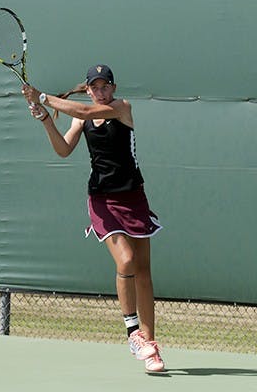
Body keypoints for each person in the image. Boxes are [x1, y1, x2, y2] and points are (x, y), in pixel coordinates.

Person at [21, 64, 165, 373]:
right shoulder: (80, 117)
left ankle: (150, 345)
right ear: (88, 90)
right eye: (95, 87)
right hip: (102, 200)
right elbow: (63, 150)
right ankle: (132, 334)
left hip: (134, 197)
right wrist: (46, 120)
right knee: (125, 261)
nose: (100, 92)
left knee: (143, 271)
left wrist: (43, 97)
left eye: (105, 86)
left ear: (113, 88)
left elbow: (84, 113)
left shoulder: (122, 108)